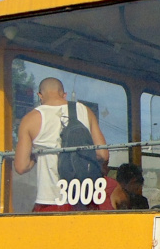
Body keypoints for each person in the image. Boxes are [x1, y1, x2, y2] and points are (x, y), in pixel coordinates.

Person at [13, 77, 108, 212]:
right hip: (84, 199)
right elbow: (102, 154)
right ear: (64, 94)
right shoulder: (85, 111)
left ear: (40, 95)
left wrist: (38, 154)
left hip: (50, 200)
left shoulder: (30, 119)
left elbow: (21, 167)